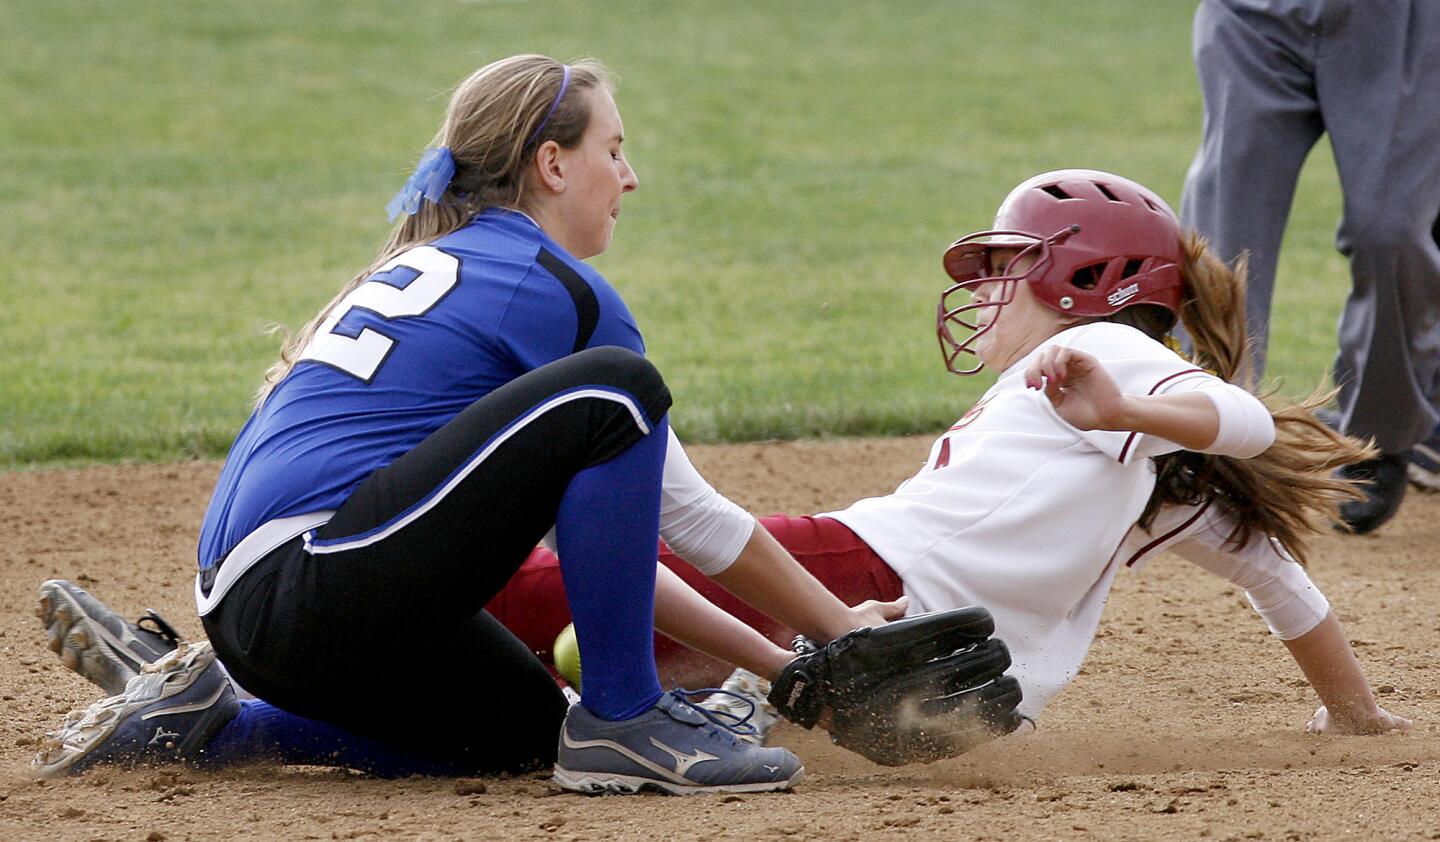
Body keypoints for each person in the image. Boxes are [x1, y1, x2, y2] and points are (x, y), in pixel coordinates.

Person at [32, 54, 930, 795]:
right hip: (317, 580)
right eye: (613, 150)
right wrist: (843, 638)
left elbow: (618, 545)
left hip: (281, 606)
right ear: (551, 164)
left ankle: (208, 724)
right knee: (619, 389)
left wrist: (793, 667)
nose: (630, 176)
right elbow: (685, 517)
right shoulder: (550, 287)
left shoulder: (446, 268)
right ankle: (627, 717)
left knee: (528, 734)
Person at [490, 170, 1411, 738]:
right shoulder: (1149, 473)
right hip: (933, 659)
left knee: (518, 584)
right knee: (573, 627)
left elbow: (1237, 420)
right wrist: (1354, 713)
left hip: (860, 568)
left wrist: (1124, 398)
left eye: (1009, 264)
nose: (988, 289)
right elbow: (1281, 583)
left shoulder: (1105, 362)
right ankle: (704, 689)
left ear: (1089, 282)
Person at [1179, 0, 1440, 533]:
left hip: (1403, 22)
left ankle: (1379, 432)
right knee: (1224, 232)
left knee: (1390, 233)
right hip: (1254, 14)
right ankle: (1202, 432)